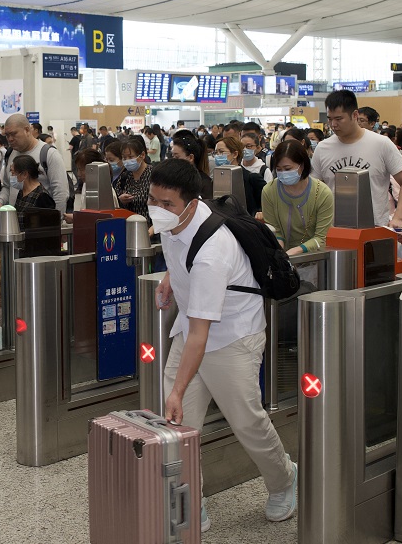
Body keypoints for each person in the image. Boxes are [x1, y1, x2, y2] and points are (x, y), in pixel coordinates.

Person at [150, 159, 298, 531]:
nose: (157, 209)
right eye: (153, 200)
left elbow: (203, 333)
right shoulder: (177, 219)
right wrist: (171, 277)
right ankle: (189, 500)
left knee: (246, 420)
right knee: (178, 423)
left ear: (189, 202)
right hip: (193, 327)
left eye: (166, 204)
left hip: (232, 335)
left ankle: (284, 479)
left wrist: (177, 389)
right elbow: (179, 252)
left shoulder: (213, 252)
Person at [311, 90, 402, 228]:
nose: (333, 124)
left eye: (339, 119)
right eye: (330, 119)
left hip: (374, 228)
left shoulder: (381, 144)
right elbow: (314, 189)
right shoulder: (323, 148)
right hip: (334, 229)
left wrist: (398, 217)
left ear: (354, 115)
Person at [261, 140, 334, 255]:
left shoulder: (322, 193)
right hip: (284, 258)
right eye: (279, 169)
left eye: (288, 168)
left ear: (302, 166)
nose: (283, 173)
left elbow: (321, 237)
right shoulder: (269, 191)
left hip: (316, 257)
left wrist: (296, 251)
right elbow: (275, 230)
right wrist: (280, 250)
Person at [0, 114, 69, 217]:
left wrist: (54, 223)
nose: (10, 139)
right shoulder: (10, 154)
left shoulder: (49, 154)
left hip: (41, 223)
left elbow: (60, 193)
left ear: (27, 130)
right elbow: (7, 186)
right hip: (17, 222)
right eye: (7, 135)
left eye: (13, 134)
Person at [67, 149, 120, 222]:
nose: (78, 174)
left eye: (81, 169)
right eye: (78, 169)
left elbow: (104, 219)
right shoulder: (86, 184)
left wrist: (76, 218)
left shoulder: (104, 190)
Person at [115, 137, 153, 223]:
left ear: (142, 155)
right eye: (124, 158)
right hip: (128, 225)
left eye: (131, 157)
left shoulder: (154, 175)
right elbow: (116, 200)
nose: (127, 161)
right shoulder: (124, 176)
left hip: (150, 227)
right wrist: (120, 200)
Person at [170, 130, 212, 199]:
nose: (173, 160)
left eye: (177, 157)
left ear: (190, 157)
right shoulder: (173, 178)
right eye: (172, 156)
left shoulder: (204, 183)